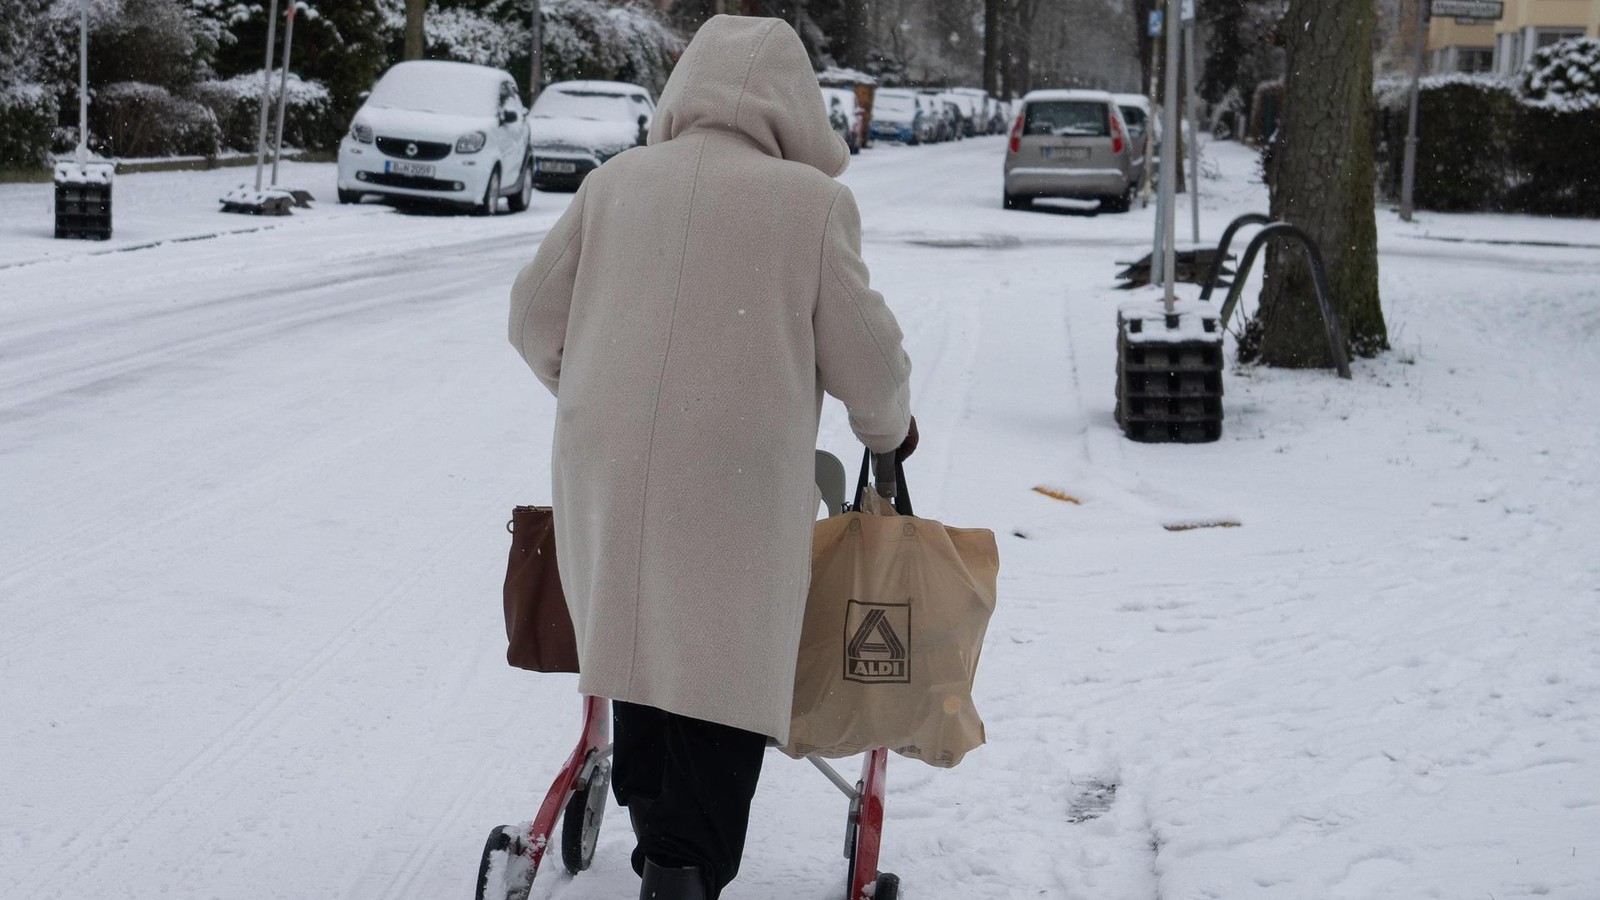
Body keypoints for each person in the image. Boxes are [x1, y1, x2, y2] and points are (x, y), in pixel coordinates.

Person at [508, 15, 915, 900]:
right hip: (732, 485)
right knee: (723, 666)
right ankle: (685, 866)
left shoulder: (614, 186)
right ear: (796, 108)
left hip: (606, 470)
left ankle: (661, 838)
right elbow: (870, 365)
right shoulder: (808, 205)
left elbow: (533, 318)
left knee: (638, 642)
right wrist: (888, 431)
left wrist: (597, 396)